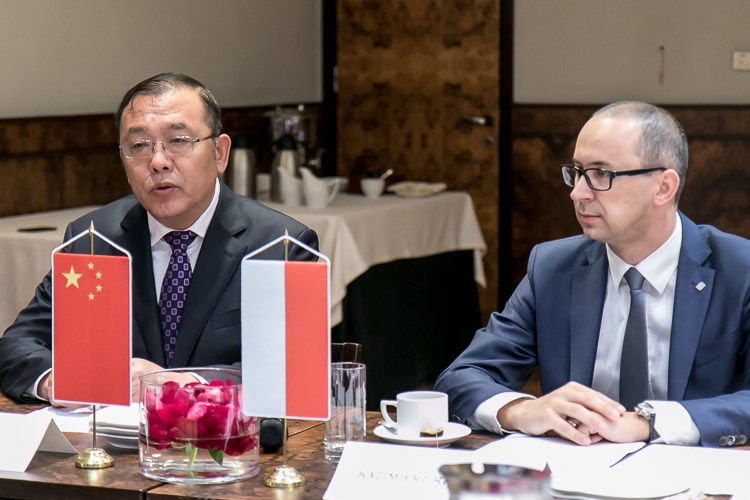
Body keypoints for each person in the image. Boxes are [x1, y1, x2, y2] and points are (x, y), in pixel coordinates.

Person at [435, 101, 750, 448]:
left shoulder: (739, 270)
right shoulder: (553, 268)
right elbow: (463, 377)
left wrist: (648, 423)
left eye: (601, 174)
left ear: (663, 187)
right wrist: (521, 409)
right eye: (577, 172)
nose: (577, 193)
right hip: (576, 466)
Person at [0, 73, 319, 406]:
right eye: (139, 146)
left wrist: (184, 386)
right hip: (112, 434)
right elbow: (17, 344)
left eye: (178, 140)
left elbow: (292, 368)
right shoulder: (94, 239)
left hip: (224, 435)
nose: (158, 162)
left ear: (220, 153)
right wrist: (58, 381)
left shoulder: (279, 245)